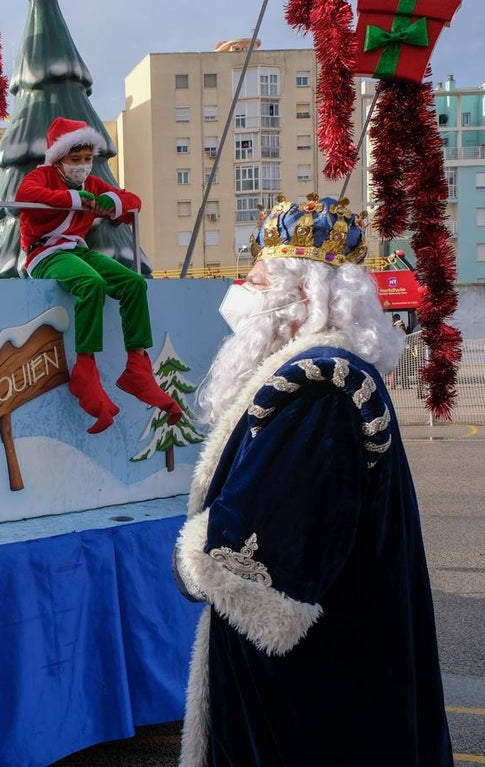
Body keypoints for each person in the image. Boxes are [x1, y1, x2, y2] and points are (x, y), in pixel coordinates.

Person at [173, 195, 453, 766]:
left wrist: (192, 560)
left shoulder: (320, 389)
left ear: (300, 295)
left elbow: (268, 550)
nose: (240, 295)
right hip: (343, 659)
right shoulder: (326, 374)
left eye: (254, 280)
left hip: (315, 687)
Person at [17, 117, 181, 434]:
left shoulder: (91, 184)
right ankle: (86, 367)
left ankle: (137, 364)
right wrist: (75, 200)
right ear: (59, 158)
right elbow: (29, 196)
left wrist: (113, 201)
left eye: (87, 159)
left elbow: (133, 201)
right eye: (75, 159)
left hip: (78, 251)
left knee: (133, 283)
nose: (82, 166)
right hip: (45, 253)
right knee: (91, 284)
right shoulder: (43, 176)